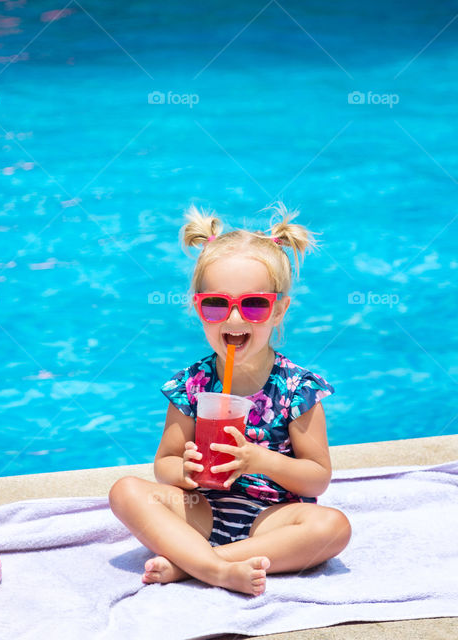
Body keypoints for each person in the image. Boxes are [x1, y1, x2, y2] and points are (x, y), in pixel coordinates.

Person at [109, 203, 351, 596]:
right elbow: (164, 464)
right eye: (217, 304)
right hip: (200, 511)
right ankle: (214, 566)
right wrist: (183, 470)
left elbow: (317, 476)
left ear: (279, 311)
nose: (234, 319)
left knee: (332, 527)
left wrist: (258, 459)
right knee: (125, 490)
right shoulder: (192, 384)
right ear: (198, 308)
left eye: (254, 305)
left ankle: (197, 564)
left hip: (272, 519)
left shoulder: (296, 388)